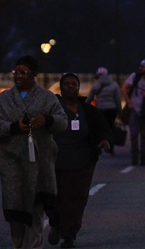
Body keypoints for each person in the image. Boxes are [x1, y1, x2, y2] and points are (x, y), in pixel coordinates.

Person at [0, 55, 67, 249]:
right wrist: (14, 127)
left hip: (39, 163)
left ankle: (32, 246)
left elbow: (62, 121)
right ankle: (19, 245)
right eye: (16, 72)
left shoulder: (47, 97)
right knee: (15, 212)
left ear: (34, 74)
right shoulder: (5, 98)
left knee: (36, 210)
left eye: (23, 72)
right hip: (12, 163)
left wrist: (47, 120)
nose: (19, 76)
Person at [47, 73, 111, 249]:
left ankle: (70, 235)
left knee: (76, 199)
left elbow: (102, 127)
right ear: (61, 88)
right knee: (54, 197)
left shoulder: (87, 110)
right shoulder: (52, 108)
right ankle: (56, 224)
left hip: (82, 161)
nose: (70, 86)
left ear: (78, 88)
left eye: (73, 84)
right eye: (66, 84)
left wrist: (104, 140)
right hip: (56, 161)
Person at [121, 59, 145, 166]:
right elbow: (124, 88)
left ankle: (144, 158)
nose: (141, 69)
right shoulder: (135, 76)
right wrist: (128, 102)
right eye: (141, 67)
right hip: (134, 110)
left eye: (143, 67)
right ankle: (134, 158)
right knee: (133, 135)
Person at [86, 67, 121, 132]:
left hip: (100, 109)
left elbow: (89, 98)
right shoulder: (114, 85)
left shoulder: (96, 85)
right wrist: (120, 112)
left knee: (101, 127)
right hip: (112, 109)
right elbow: (118, 100)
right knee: (110, 126)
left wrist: (84, 108)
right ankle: (110, 137)